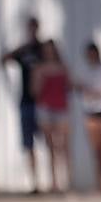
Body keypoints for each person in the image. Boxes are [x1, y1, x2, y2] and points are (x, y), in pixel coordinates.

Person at [2, 16, 43, 193]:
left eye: (34, 27)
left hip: (43, 103)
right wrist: (24, 46)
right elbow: (5, 58)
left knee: (50, 141)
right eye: (29, 28)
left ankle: (56, 183)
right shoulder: (25, 51)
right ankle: (35, 183)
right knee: (29, 144)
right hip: (26, 101)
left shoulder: (44, 49)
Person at [75, 41, 101, 192]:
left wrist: (99, 93)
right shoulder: (84, 70)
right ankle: (99, 182)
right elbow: (78, 87)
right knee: (96, 148)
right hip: (91, 111)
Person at [31, 39, 72, 193]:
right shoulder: (39, 69)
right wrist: (40, 80)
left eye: (51, 49)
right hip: (46, 109)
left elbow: (69, 86)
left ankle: (68, 180)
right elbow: (34, 91)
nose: (49, 53)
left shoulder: (63, 68)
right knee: (51, 146)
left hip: (61, 108)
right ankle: (54, 181)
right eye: (46, 50)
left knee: (64, 145)